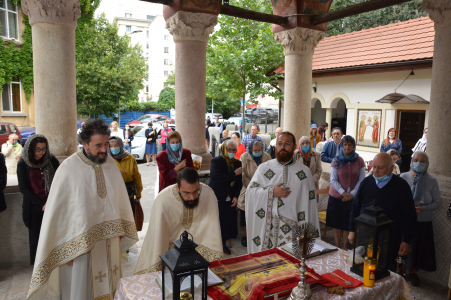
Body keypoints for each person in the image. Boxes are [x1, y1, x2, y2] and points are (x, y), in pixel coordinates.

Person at [26, 119, 138, 300]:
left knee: (110, 284)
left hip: (109, 241)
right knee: (83, 289)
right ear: (84, 144)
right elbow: (60, 213)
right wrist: (64, 248)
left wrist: (121, 230)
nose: (104, 150)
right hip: (80, 243)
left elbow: (118, 201)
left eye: (106, 144)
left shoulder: (110, 164)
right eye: (98, 145)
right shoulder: (68, 168)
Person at [135, 168, 223, 274]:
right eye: (186, 193)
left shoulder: (208, 194)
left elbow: (212, 230)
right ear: (177, 188)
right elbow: (158, 237)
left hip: (201, 251)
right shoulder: (163, 200)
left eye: (196, 192)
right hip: (171, 253)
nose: (192, 197)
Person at [245, 132, 320, 253]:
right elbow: (250, 193)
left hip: (295, 230)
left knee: (291, 266)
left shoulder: (304, 172)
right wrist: (271, 192)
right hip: (268, 230)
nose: (283, 147)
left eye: (287, 144)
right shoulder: (264, 168)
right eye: (280, 144)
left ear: (295, 147)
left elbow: (309, 205)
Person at [349, 153, 417, 272]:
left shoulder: (401, 186)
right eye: (374, 166)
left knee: (385, 272)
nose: (375, 171)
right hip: (365, 237)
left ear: (391, 168)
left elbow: (409, 216)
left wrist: (406, 240)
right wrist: (352, 230)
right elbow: (355, 208)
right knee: (362, 270)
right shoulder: (366, 182)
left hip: (390, 240)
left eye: (380, 168)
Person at [17, 134, 60, 265]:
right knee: (36, 239)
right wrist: (42, 203)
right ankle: (38, 269)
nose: (41, 152)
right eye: (38, 149)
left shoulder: (51, 161)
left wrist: (50, 202)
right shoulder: (23, 164)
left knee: (53, 237)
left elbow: (59, 182)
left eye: (44, 148)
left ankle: (53, 266)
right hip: (34, 207)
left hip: (52, 204)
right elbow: (24, 188)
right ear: (30, 149)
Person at [400, 151, 440, 286]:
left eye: (422, 161)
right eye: (416, 160)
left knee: (418, 248)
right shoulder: (404, 176)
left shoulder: (432, 180)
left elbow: (437, 203)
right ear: (411, 162)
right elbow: (398, 198)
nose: (419, 163)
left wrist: (423, 208)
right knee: (403, 244)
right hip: (405, 220)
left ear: (427, 164)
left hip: (423, 221)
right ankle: (400, 269)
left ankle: (413, 272)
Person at [327, 136, 365, 250]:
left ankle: (344, 247)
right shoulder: (336, 160)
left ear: (353, 145)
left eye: (349, 144)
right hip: (336, 197)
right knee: (336, 223)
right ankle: (337, 245)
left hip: (352, 198)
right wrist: (344, 193)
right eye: (345, 145)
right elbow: (333, 179)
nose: (347, 147)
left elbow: (362, 179)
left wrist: (352, 194)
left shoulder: (359, 160)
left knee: (346, 223)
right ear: (342, 146)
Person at [209, 140, 242, 255]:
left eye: (234, 150)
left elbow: (239, 183)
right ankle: (219, 244)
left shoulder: (237, 163)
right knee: (219, 221)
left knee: (228, 221)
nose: (231, 152)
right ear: (224, 149)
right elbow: (218, 178)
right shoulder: (216, 161)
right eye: (229, 150)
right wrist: (234, 174)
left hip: (230, 197)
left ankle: (224, 243)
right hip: (218, 196)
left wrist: (236, 196)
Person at [238, 141, 271, 248]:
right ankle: (246, 236)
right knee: (246, 213)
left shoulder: (267, 157)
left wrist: (262, 186)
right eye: (255, 150)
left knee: (260, 213)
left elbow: (271, 172)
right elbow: (243, 174)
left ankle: (259, 235)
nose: (257, 152)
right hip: (248, 189)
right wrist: (252, 186)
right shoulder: (244, 157)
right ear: (251, 149)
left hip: (263, 189)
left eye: (259, 150)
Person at [109, 136, 143, 217]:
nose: (114, 148)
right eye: (111, 146)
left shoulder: (130, 157)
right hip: (113, 195)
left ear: (121, 145)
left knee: (129, 216)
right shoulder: (106, 159)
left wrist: (138, 193)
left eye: (116, 145)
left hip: (129, 193)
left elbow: (136, 176)